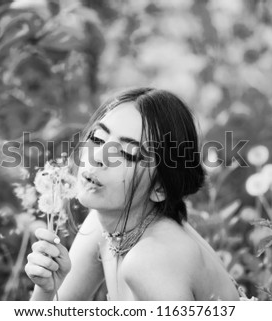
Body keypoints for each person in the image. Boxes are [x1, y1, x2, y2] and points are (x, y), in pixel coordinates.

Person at [25, 88, 240, 301]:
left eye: (128, 153)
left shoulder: (152, 260)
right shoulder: (103, 227)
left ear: (160, 188)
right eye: (98, 139)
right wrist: (46, 290)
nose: (99, 156)